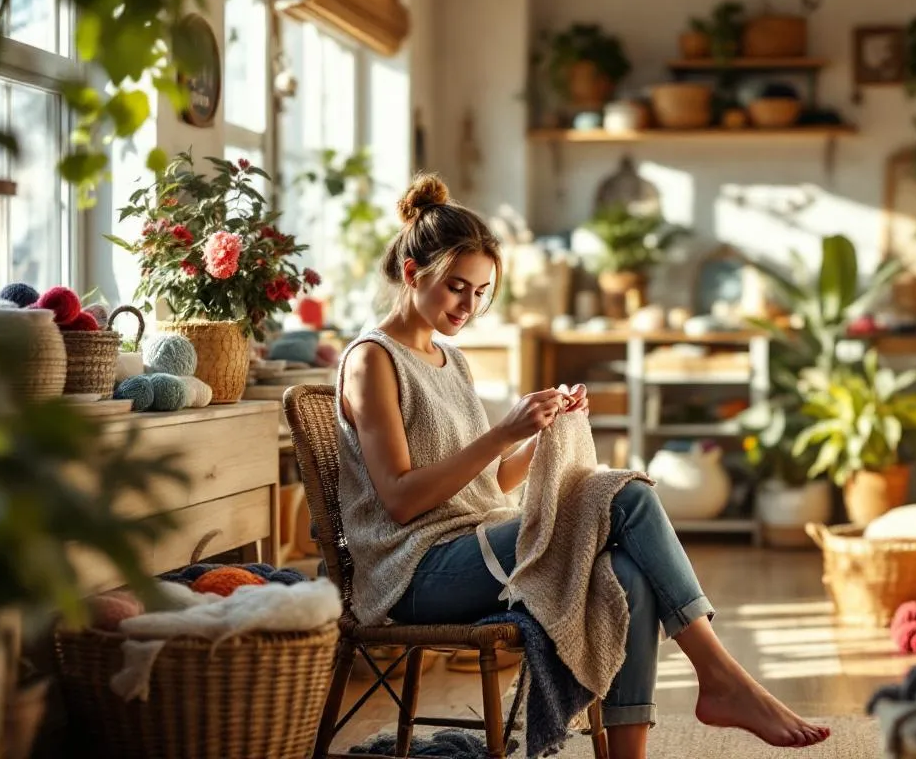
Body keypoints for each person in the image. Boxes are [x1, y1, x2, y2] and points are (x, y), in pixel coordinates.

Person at [335, 172, 830, 759]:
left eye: (481, 292)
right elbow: (400, 499)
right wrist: (502, 432)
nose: (469, 306)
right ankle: (720, 676)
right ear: (413, 275)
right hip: (414, 576)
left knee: (627, 573)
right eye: (456, 288)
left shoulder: (451, 359)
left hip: (474, 548)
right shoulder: (372, 361)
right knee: (623, 495)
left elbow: (485, 485)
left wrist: (538, 440)